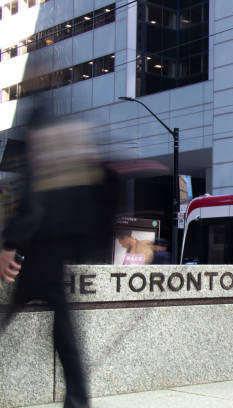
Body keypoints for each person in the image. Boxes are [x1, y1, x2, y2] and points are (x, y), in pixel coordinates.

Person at [0, 101, 115, 408]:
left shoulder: (44, 156)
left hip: (40, 251)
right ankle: (78, 399)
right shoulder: (70, 157)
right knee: (64, 329)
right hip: (59, 250)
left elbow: (33, 209)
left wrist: (8, 243)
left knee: (58, 327)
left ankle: (77, 399)